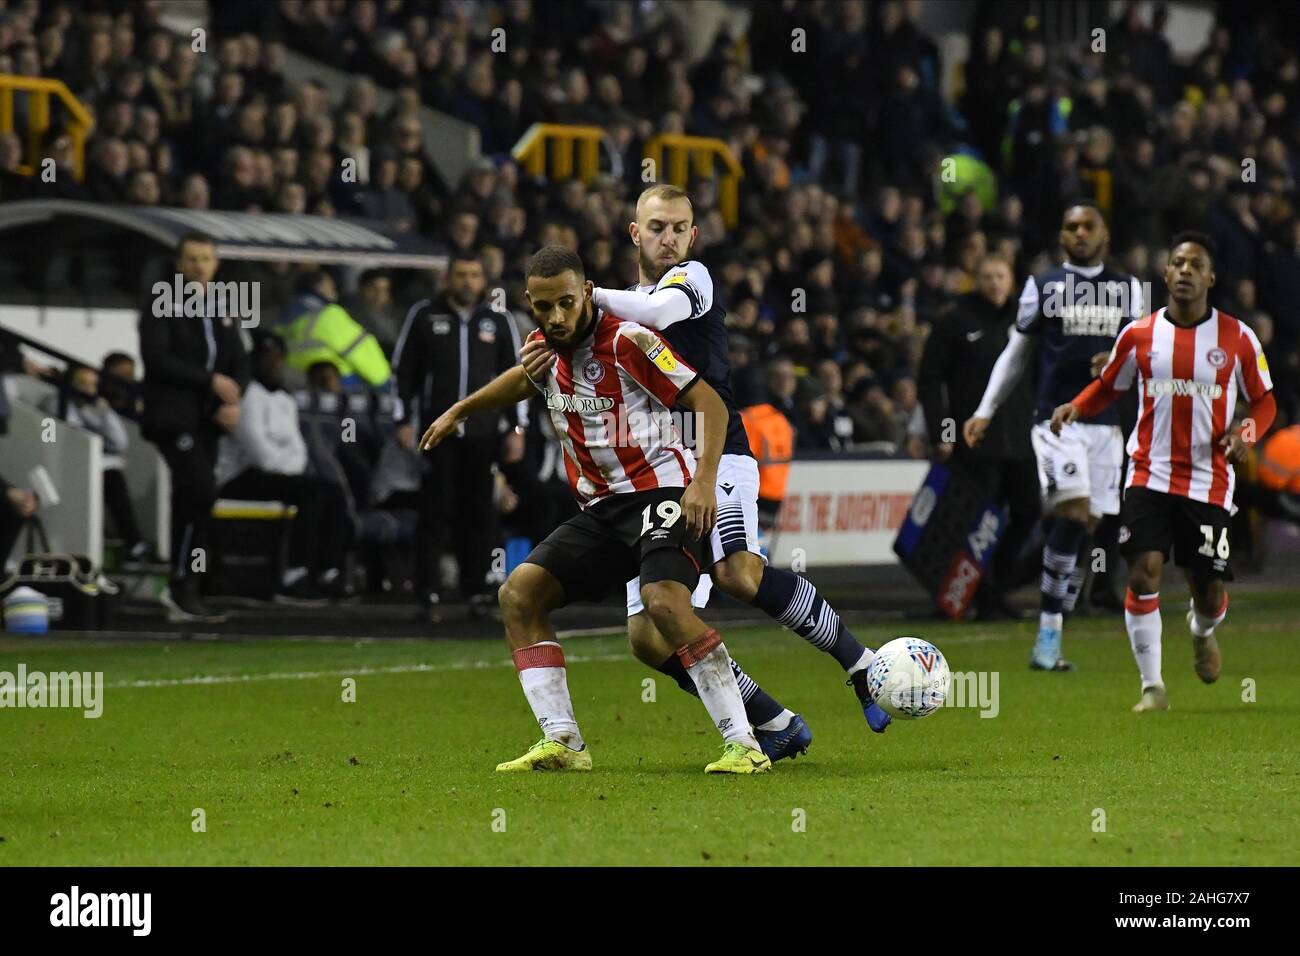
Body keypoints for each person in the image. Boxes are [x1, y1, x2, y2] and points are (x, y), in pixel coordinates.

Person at [420, 246, 771, 774]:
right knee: (519, 594)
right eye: (544, 307)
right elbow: (523, 379)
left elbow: (709, 404)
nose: (557, 317)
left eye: (566, 303)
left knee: (664, 605)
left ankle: (745, 743)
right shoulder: (545, 347)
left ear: (586, 292)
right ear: (529, 303)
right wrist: (460, 410)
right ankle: (562, 740)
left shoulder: (630, 340)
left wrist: (703, 483)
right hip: (603, 509)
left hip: (663, 493)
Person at [586, 184, 891, 752]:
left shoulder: (690, 280)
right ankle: (775, 721)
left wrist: (587, 295)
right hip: (653, 474)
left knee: (737, 574)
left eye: (680, 227)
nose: (669, 238)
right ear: (634, 233)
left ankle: (860, 664)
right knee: (648, 638)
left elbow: (656, 312)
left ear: (693, 236)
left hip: (715, 449)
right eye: (657, 227)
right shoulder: (618, 304)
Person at [1051, 232, 1276, 713]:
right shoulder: (1139, 335)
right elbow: (1109, 384)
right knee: (1143, 572)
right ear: (1167, 274)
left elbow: (1266, 400)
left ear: (1211, 278)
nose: (1186, 270)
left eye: (1196, 264)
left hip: (1209, 480)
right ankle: (1152, 687)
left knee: (1209, 590)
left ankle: (1202, 632)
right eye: (1177, 262)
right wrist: (1075, 405)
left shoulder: (1237, 337)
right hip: (1148, 473)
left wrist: (1247, 434)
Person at [964, 201, 1143, 670]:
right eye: (1071, 227)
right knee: (1075, 510)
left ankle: (1050, 635)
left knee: (1084, 525)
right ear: (1062, 236)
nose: (1079, 233)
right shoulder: (1042, 286)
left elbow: (1147, 358)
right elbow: (1016, 351)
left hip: (1107, 428)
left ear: (1104, 232)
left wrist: (1120, 363)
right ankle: (1047, 634)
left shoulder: (1129, 290)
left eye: (1088, 226)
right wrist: (986, 409)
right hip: (1055, 421)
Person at [393, 252, 525, 617]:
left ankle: (476, 590)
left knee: (480, 512)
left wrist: (517, 427)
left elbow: (518, 376)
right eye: (461, 275)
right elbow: (404, 371)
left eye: (474, 275)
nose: (467, 282)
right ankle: (428, 591)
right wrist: (402, 418)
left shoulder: (498, 320)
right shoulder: (424, 315)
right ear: (448, 278)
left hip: (485, 433)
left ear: (483, 281)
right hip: (438, 432)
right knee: (435, 509)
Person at [918, 254, 1038, 619]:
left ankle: (994, 587)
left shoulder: (1027, 321)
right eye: (987, 276)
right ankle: (972, 596)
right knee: (978, 523)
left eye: (1000, 275)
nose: (995, 283)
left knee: (1028, 511)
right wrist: (943, 431)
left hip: (1020, 439)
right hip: (974, 443)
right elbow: (929, 378)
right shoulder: (955, 321)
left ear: (1011, 280)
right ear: (977, 280)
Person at [139, 232, 249, 623]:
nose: (200, 266)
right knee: (200, 489)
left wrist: (232, 400)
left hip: (209, 420)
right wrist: (210, 383)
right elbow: (157, 359)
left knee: (196, 498)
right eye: (192, 259)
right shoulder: (160, 301)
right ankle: (181, 582)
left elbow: (238, 359)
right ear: (178, 263)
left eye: (206, 259)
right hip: (174, 417)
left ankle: (189, 587)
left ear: (215, 264)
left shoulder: (224, 304)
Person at [215, 333, 352, 601]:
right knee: (311, 493)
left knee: (333, 492)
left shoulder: (285, 399)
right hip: (239, 476)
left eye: (279, 358)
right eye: (269, 359)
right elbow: (260, 454)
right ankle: (293, 574)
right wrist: (289, 467)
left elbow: (299, 450)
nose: (276, 365)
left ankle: (328, 572)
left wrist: (290, 467)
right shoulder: (247, 395)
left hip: (282, 476)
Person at [41, 363, 152, 564]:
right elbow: (60, 435)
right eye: (82, 384)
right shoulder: (55, 401)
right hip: (67, 464)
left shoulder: (100, 407)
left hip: (100, 465)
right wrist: (85, 410)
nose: (87, 389)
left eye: (92, 385)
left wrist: (100, 411)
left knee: (113, 476)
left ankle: (134, 544)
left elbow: (120, 442)